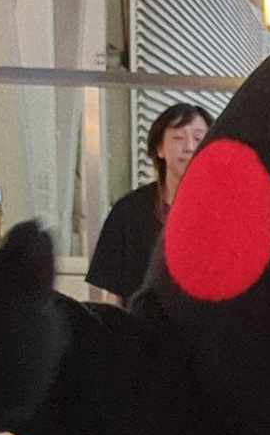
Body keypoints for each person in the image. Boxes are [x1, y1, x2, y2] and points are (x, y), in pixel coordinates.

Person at [86, 102, 213, 305]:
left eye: (199, 139)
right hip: (140, 323)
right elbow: (113, 294)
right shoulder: (129, 211)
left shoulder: (224, 213)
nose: (189, 147)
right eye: (178, 138)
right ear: (160, 148)